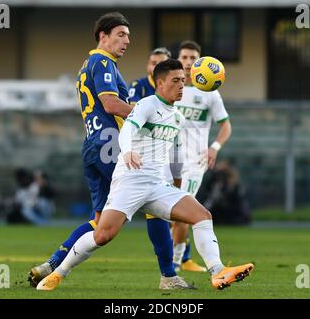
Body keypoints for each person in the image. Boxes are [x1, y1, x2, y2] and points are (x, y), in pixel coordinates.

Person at [36, 59, 254, 291]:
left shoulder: (177, 117)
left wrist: (178, 186)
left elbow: (175, 155)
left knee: (202, 215)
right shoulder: (146, 105)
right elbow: (128, 129)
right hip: (130, 181)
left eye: (183, 80)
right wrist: (128, 150)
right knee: (102, 235)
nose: (182, 85)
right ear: (160, 83)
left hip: (157, 185)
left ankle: (218, 271)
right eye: (176, 81)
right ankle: (59, 273)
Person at [28, 12, 192, 290]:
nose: (127, 40)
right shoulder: (103, 61)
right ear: (103, 36)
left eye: (128, 35)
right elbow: (110, 104)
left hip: (94, 145)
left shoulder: (91, 64)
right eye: (121, 34)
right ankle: (169, 276)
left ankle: (52, 265)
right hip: (110, 145)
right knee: (156, 206)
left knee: (100, 222)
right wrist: (147, 117)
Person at [128, 46, 206, 273]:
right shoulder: (142, 94)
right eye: (152, 63)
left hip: (171, 159)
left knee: (184, 212)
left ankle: (180, 263)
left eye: (160, 63)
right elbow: (129, 118)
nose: (154, 67)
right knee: (105, 230)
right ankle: (59, 266)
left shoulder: (179, 100)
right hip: (137, 161)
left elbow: (177, 143)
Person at [168, 40, 233, 272]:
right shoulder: (171, 87)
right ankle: (176, 259)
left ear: (199, 62)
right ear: (178, 59)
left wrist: (214, 147)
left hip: (195, 162)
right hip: (168, 159)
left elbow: (226, 126)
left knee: (182, 213)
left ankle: (175, 263)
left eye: (192, 58)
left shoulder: (210, 93)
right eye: (184, 57)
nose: (187, 62)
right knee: (167, 214)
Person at [200, 160, 251, 225]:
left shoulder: (234, 185)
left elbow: (236, 201)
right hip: (220, 211)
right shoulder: (214, 182)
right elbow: (208, 192)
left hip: (233, 212)